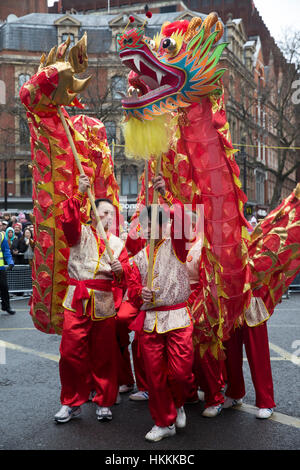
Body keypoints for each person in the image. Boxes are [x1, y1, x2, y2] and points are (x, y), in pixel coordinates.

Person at [54, 173, 131, 424]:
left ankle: (104, 400)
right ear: (93, 213)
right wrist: (78, 193)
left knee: (104, 355)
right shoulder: (80, 234)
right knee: (69, 353)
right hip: (77, 300)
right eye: (104, 212)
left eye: (112, 213)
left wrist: (121, 272)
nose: (108, 217)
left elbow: (127, 276)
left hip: (104, 303)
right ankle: (71, 402)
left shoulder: (118, 244)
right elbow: (67, 221)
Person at [127, 174, 194, 442]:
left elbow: (185, 221)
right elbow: (131, 291)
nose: (154, 229)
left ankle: (178, 402)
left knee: (180, 374)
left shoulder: (178, 247)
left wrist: (166, 194)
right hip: (150, 321)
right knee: (154, 378)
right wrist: (138, 293)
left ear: (167, 226)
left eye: (160, 223)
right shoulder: (138, 258)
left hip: (177, 317)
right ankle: (163, 421)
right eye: (148, 225)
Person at [222, 295, 275, 419]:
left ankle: (266, 401)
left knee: (258, 354)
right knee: (230, 353)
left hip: (252, 301)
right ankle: (235, 393)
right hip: (230, 302)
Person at [0, 230, 15, 315]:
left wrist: (10, 262)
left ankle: (6, 307)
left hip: (0, 268)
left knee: (4, 287)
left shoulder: (1, 236)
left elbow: (6, 251)